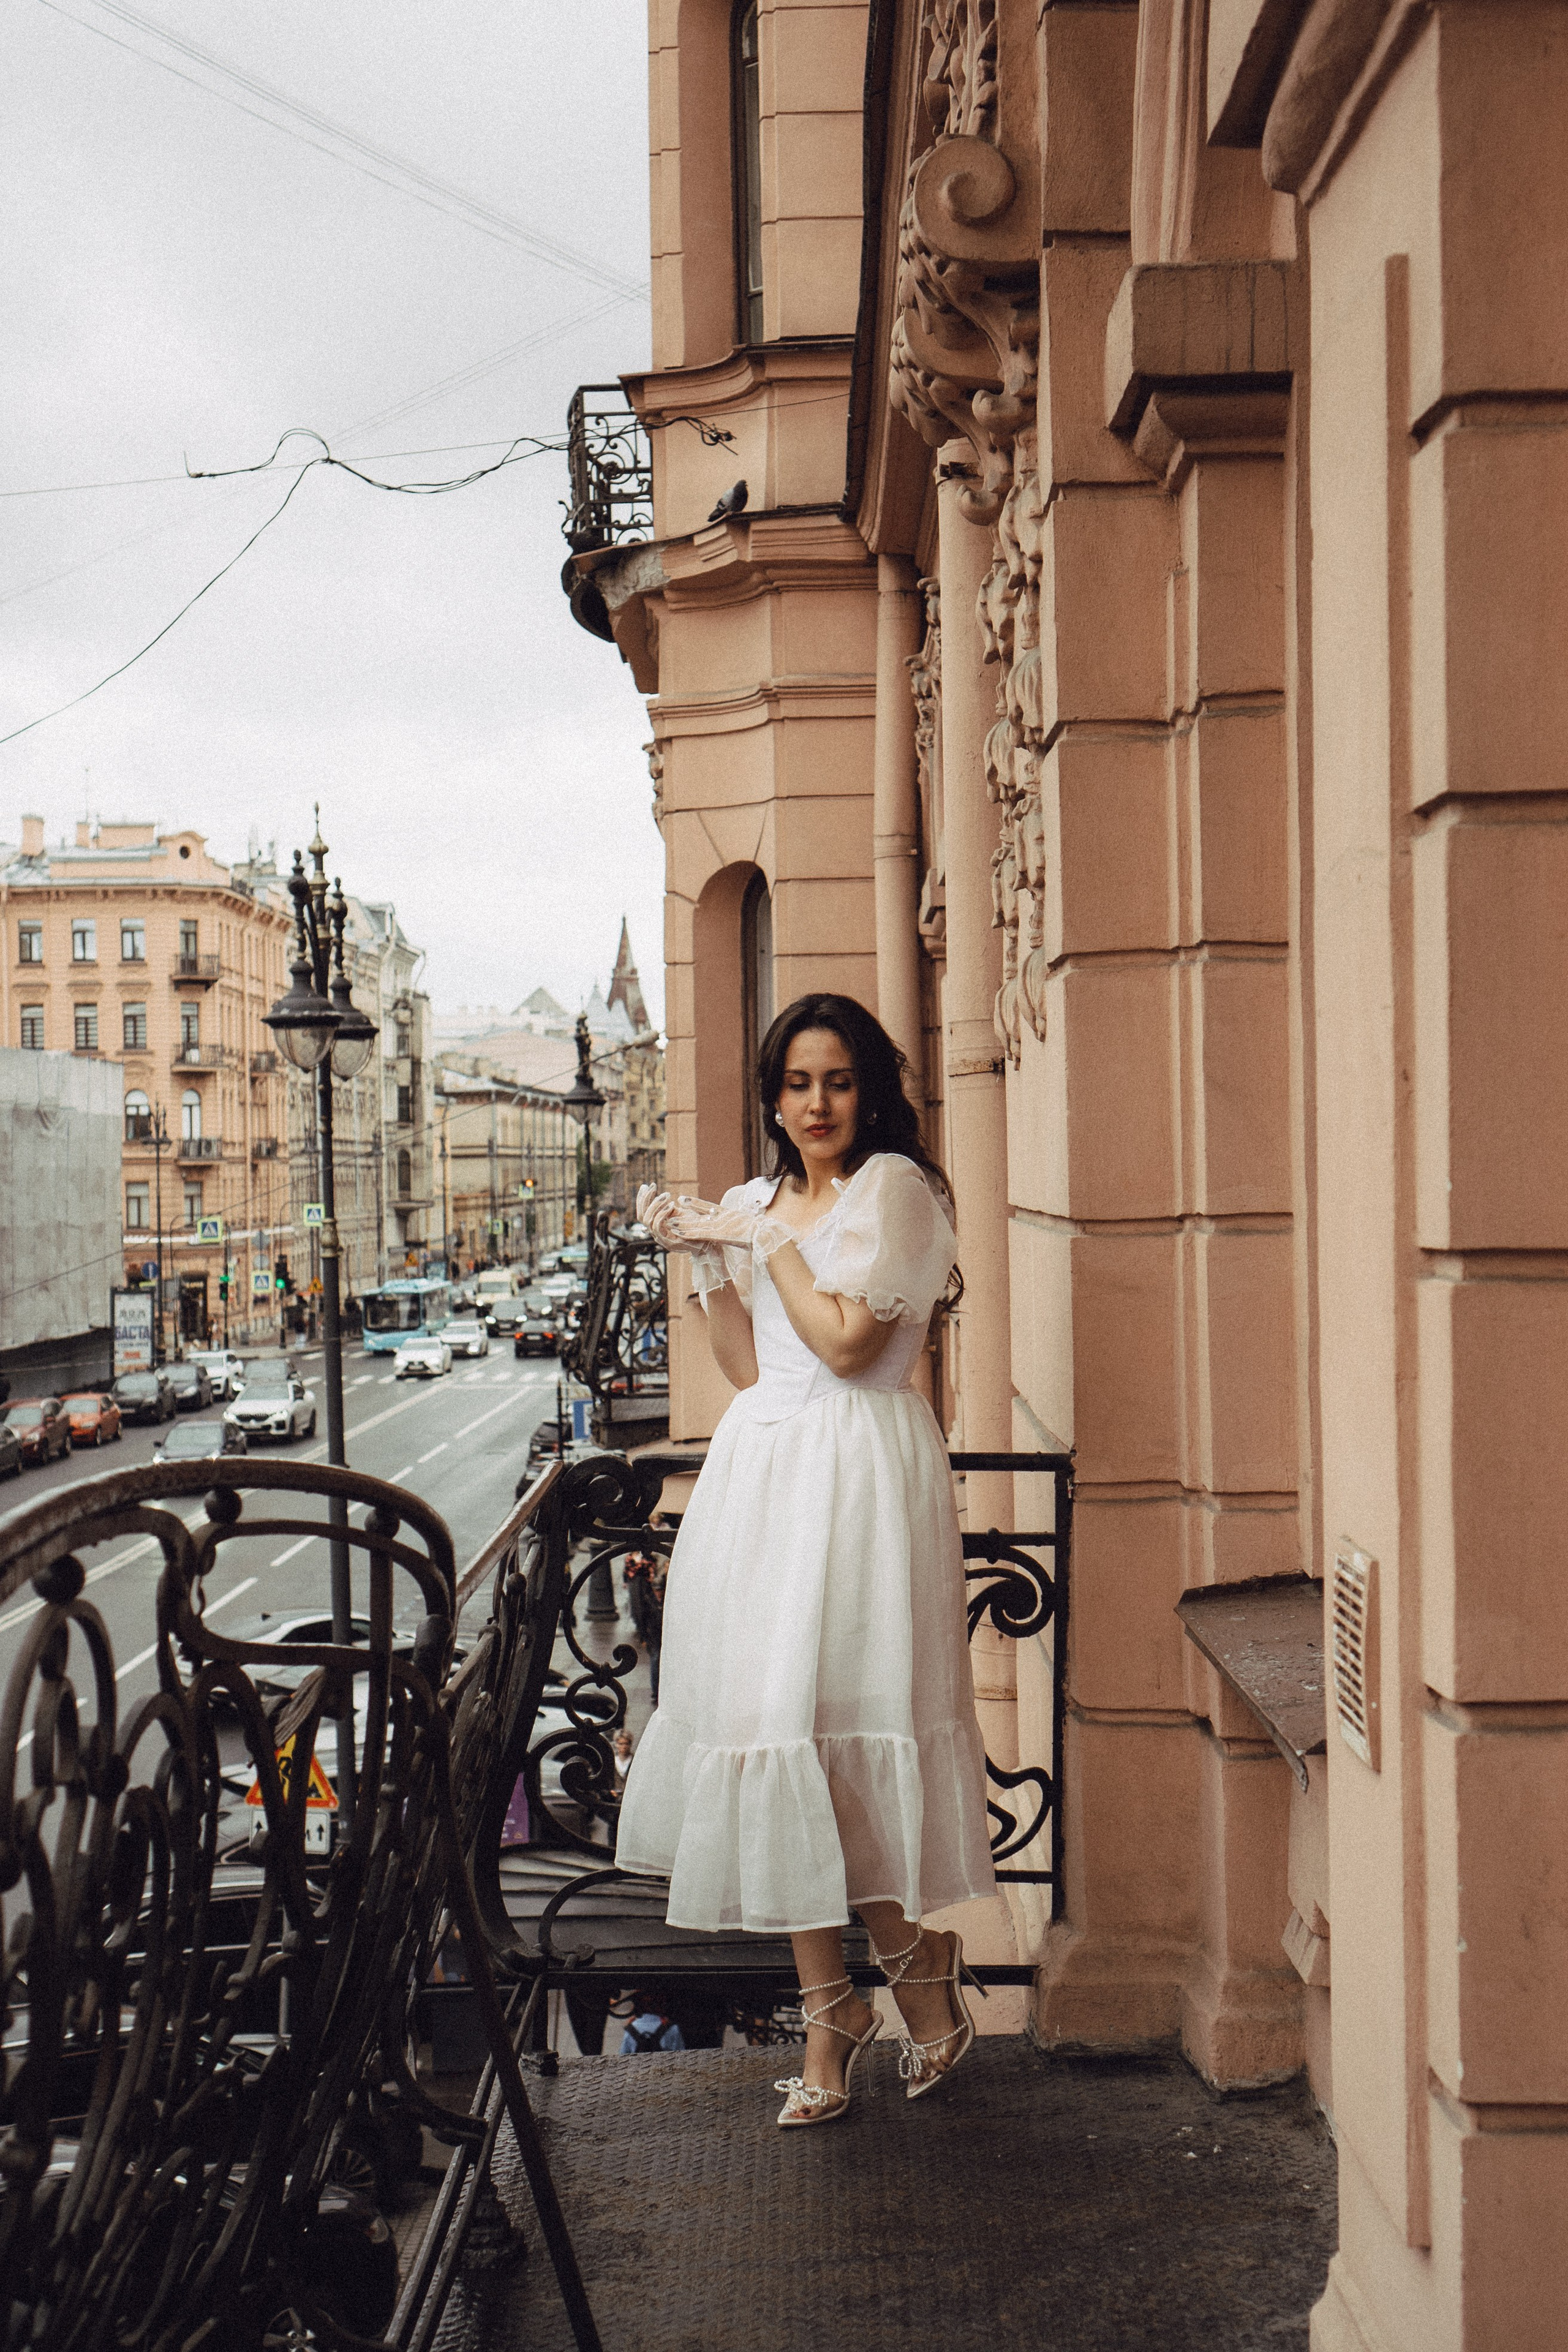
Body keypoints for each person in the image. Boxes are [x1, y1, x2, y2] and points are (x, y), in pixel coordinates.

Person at [618, 992, 994, 2130]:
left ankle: (909, 1982)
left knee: (837, 1732)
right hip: (764, 1473)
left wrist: (762, 1240)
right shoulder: (755, 1203)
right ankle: (837, 2005)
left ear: (868, 1089)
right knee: (774, 1725)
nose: (815, 1104)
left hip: (861, 1474)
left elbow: (845, 1346)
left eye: (836, 1081)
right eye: (795, 1084)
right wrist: (708, 1260)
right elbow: (748, 1365)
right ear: (772, 1098)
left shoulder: (898, 1193)